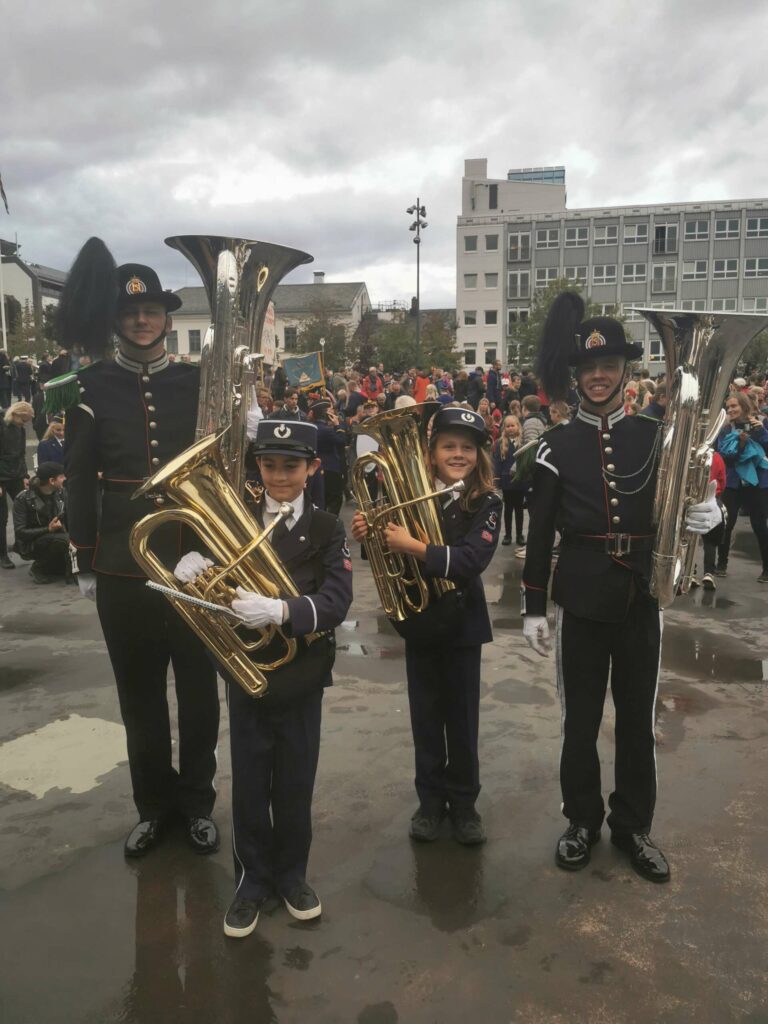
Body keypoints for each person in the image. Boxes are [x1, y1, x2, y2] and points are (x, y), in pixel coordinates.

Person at [521, 292, 720, 884]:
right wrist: (535, 607)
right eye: (589, 369)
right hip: (580, 598)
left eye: (609, 367)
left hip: (640, 596)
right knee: (579, 723)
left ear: (626, 373)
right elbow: (539, 535)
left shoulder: (656, 436)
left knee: (637, 721)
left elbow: (680, 500)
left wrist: (705, 512)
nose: (599, 377)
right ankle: (581, 820)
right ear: (577, 376)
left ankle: (633, 826)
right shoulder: (554, 445)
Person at [55, 238, 220, 859]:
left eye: (150, 310)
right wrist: (83, 552)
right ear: (117, 322)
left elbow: (224, 465)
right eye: (130, 314)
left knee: (200, 694)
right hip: (124, 563)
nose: (141, 320)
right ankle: (154, 808)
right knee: (140, 696)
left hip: (195, 557)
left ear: (168, 318)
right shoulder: (87, 386)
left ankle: (198, 805)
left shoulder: (198, 379)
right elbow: (76, 474)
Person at [175, 419, 353, 938]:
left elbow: (337, 601)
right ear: (258, 467)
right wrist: (197, 569)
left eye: (291, 465)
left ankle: (293, 876)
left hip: (301, 673)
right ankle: (251, 882)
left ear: (312, 468)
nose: (279, 475)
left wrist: (281, 609)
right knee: (250, 783)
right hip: (246, 671)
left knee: (296, 782)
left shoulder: (326, 528)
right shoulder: (238, 520)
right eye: (270, 464)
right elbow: (218, 590)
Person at [351, 407, 502, 845]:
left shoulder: (486, 501)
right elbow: (388, 554)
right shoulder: (406, 494)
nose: (458, 454)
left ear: (479, 455)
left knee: (462, 720)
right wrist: (371, 534)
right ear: (431, 453)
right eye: (448, 446)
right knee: (426, 718)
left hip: (463, 625)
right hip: (421, 623)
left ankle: (466, 805)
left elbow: (472, 561)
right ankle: (431, 802)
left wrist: (412, 544)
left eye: (467, 448)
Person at [715, 391, 768, 582]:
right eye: (728, 407)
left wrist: (761, 431)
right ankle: (721, 564)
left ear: (744, 406)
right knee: (726, 524)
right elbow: (723, 455)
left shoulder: (761, 423)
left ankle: (766, 569)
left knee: (760, 525)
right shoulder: (725, 429)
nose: (731, 410)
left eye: (734, 406)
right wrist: (741, 446)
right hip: (734, 482)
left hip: (757, 482)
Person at [12, 461, 70, 583]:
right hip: (31, 542)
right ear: (51, 481)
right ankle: (38, 568)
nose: (65, 479)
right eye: (61, 476)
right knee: (64, 540)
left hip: (56, 535)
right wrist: (48, 529)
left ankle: (56, 566)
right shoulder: (23, 499)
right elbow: (20, 532)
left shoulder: (61, 493)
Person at [0, 400, 34, 569]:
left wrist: (25, 475)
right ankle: (2, 554)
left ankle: (21, 545)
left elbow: (21, 454)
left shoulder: (19, 429)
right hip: (2, 476)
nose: (24, 424)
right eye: (23, 419)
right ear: (14, 414)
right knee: (2, 517)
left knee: (24, 510)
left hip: (16, 475)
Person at [307, 393, 348, 515]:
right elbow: (342, 441)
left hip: (316, 468)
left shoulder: (311, 427)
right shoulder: (326, 430)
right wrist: (337, 425)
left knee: (320, 499)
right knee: (335, 499)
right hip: (330, 468)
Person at [492, 414, 526, 546]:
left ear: (518, 426)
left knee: (519, 509)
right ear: (504, 428)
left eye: (513, 425)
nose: (511, 428)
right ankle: (507, 535)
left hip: (519, 481)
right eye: (508, 426)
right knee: (508, 509)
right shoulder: (500, 443)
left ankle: (519, 534)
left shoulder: (522, 442)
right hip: (506, 482)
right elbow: (497, 463)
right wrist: (497, 481)